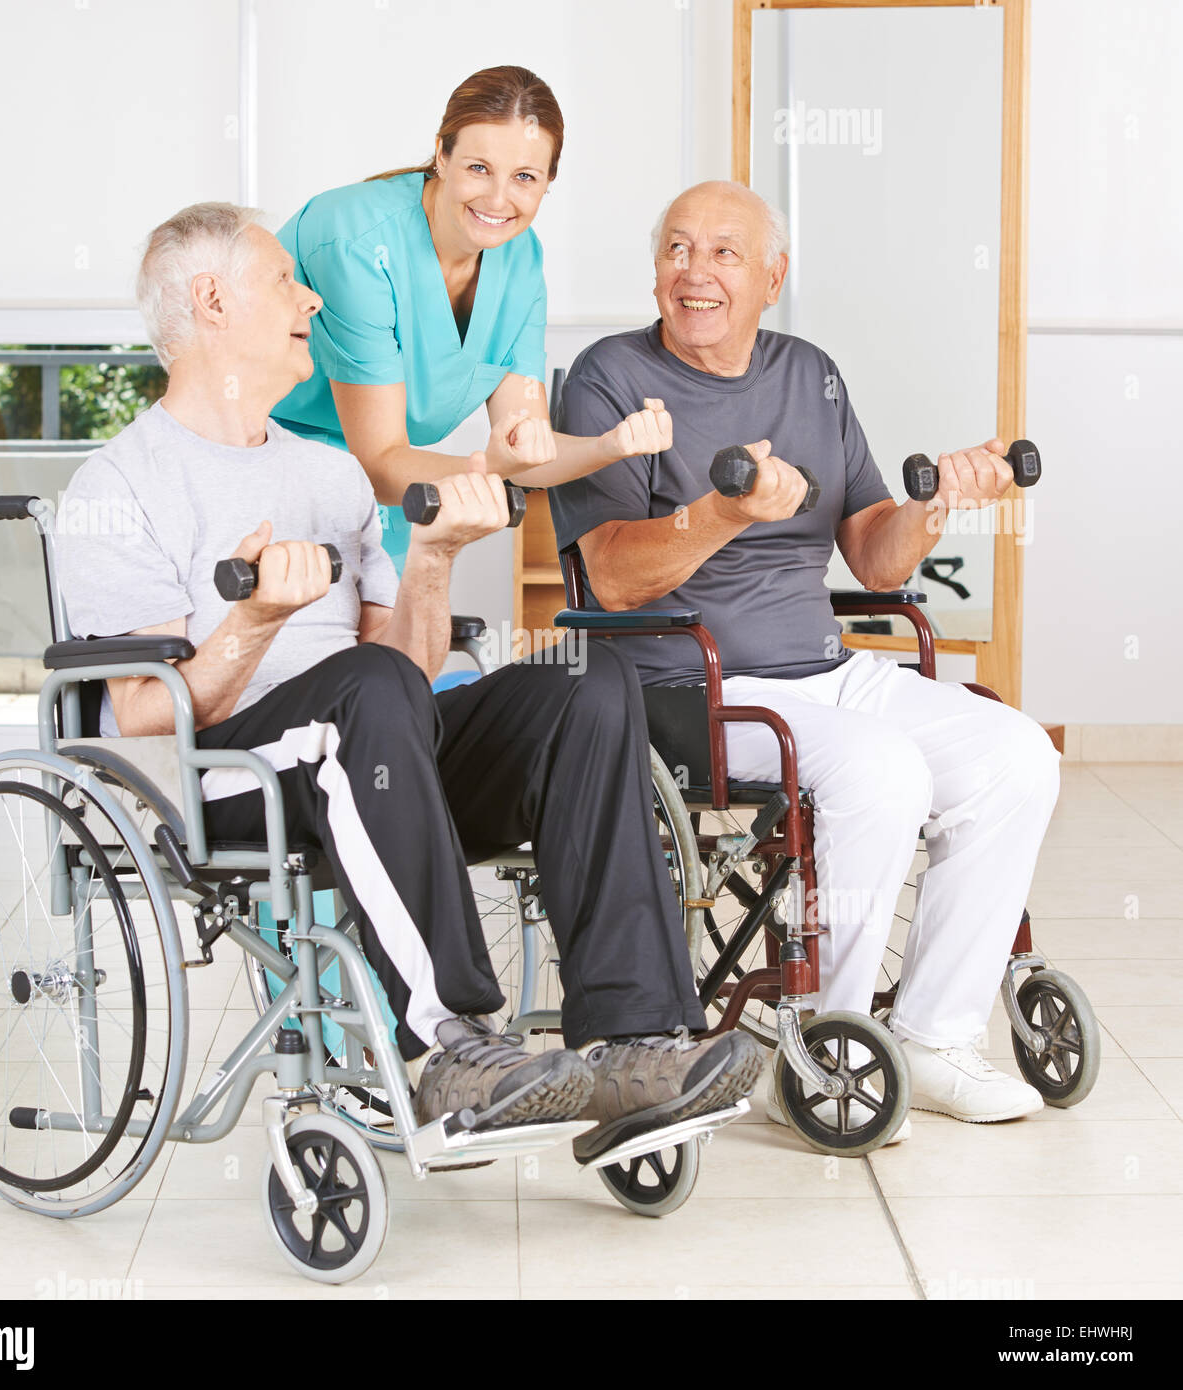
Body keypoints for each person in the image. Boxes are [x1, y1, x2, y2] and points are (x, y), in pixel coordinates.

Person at [54, 201, 761, 1152]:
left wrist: (429, 555)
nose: (309, 295)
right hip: (233, 781)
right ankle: (448, 1047)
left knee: (584, 681)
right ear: (211, 300)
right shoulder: (120, 483)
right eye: (282, 281)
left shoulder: (333, 474)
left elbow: (410, 669)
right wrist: (256, 619)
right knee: (365, 690)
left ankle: (635, 1037)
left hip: (377, 756)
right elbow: (144, 712)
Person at [549, 180, 1061, 1137]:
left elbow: (873, 554)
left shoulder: (810, 372)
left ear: (773, 277)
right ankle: (825, 1040)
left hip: (823, 671)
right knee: (879, 769)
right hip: (687, 685)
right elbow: (611, 579)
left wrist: (936, 502)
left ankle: (933, 1036)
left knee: (1018, 754)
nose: (694, 272)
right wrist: (721, 515)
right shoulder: (606, 377)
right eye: (677, 249)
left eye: (724, 254)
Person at [273, 64, 671, 570]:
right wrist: (487, 475)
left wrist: (609, 445)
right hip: (276, 460)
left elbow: (528, 447)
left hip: (402, 483)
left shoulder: (521, 261)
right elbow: (377, 461)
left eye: (524, 177)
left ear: (548, 182)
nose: (498, 199)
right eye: (478, 168)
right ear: (442, 154)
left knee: (399, 641)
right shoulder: (357, 242)